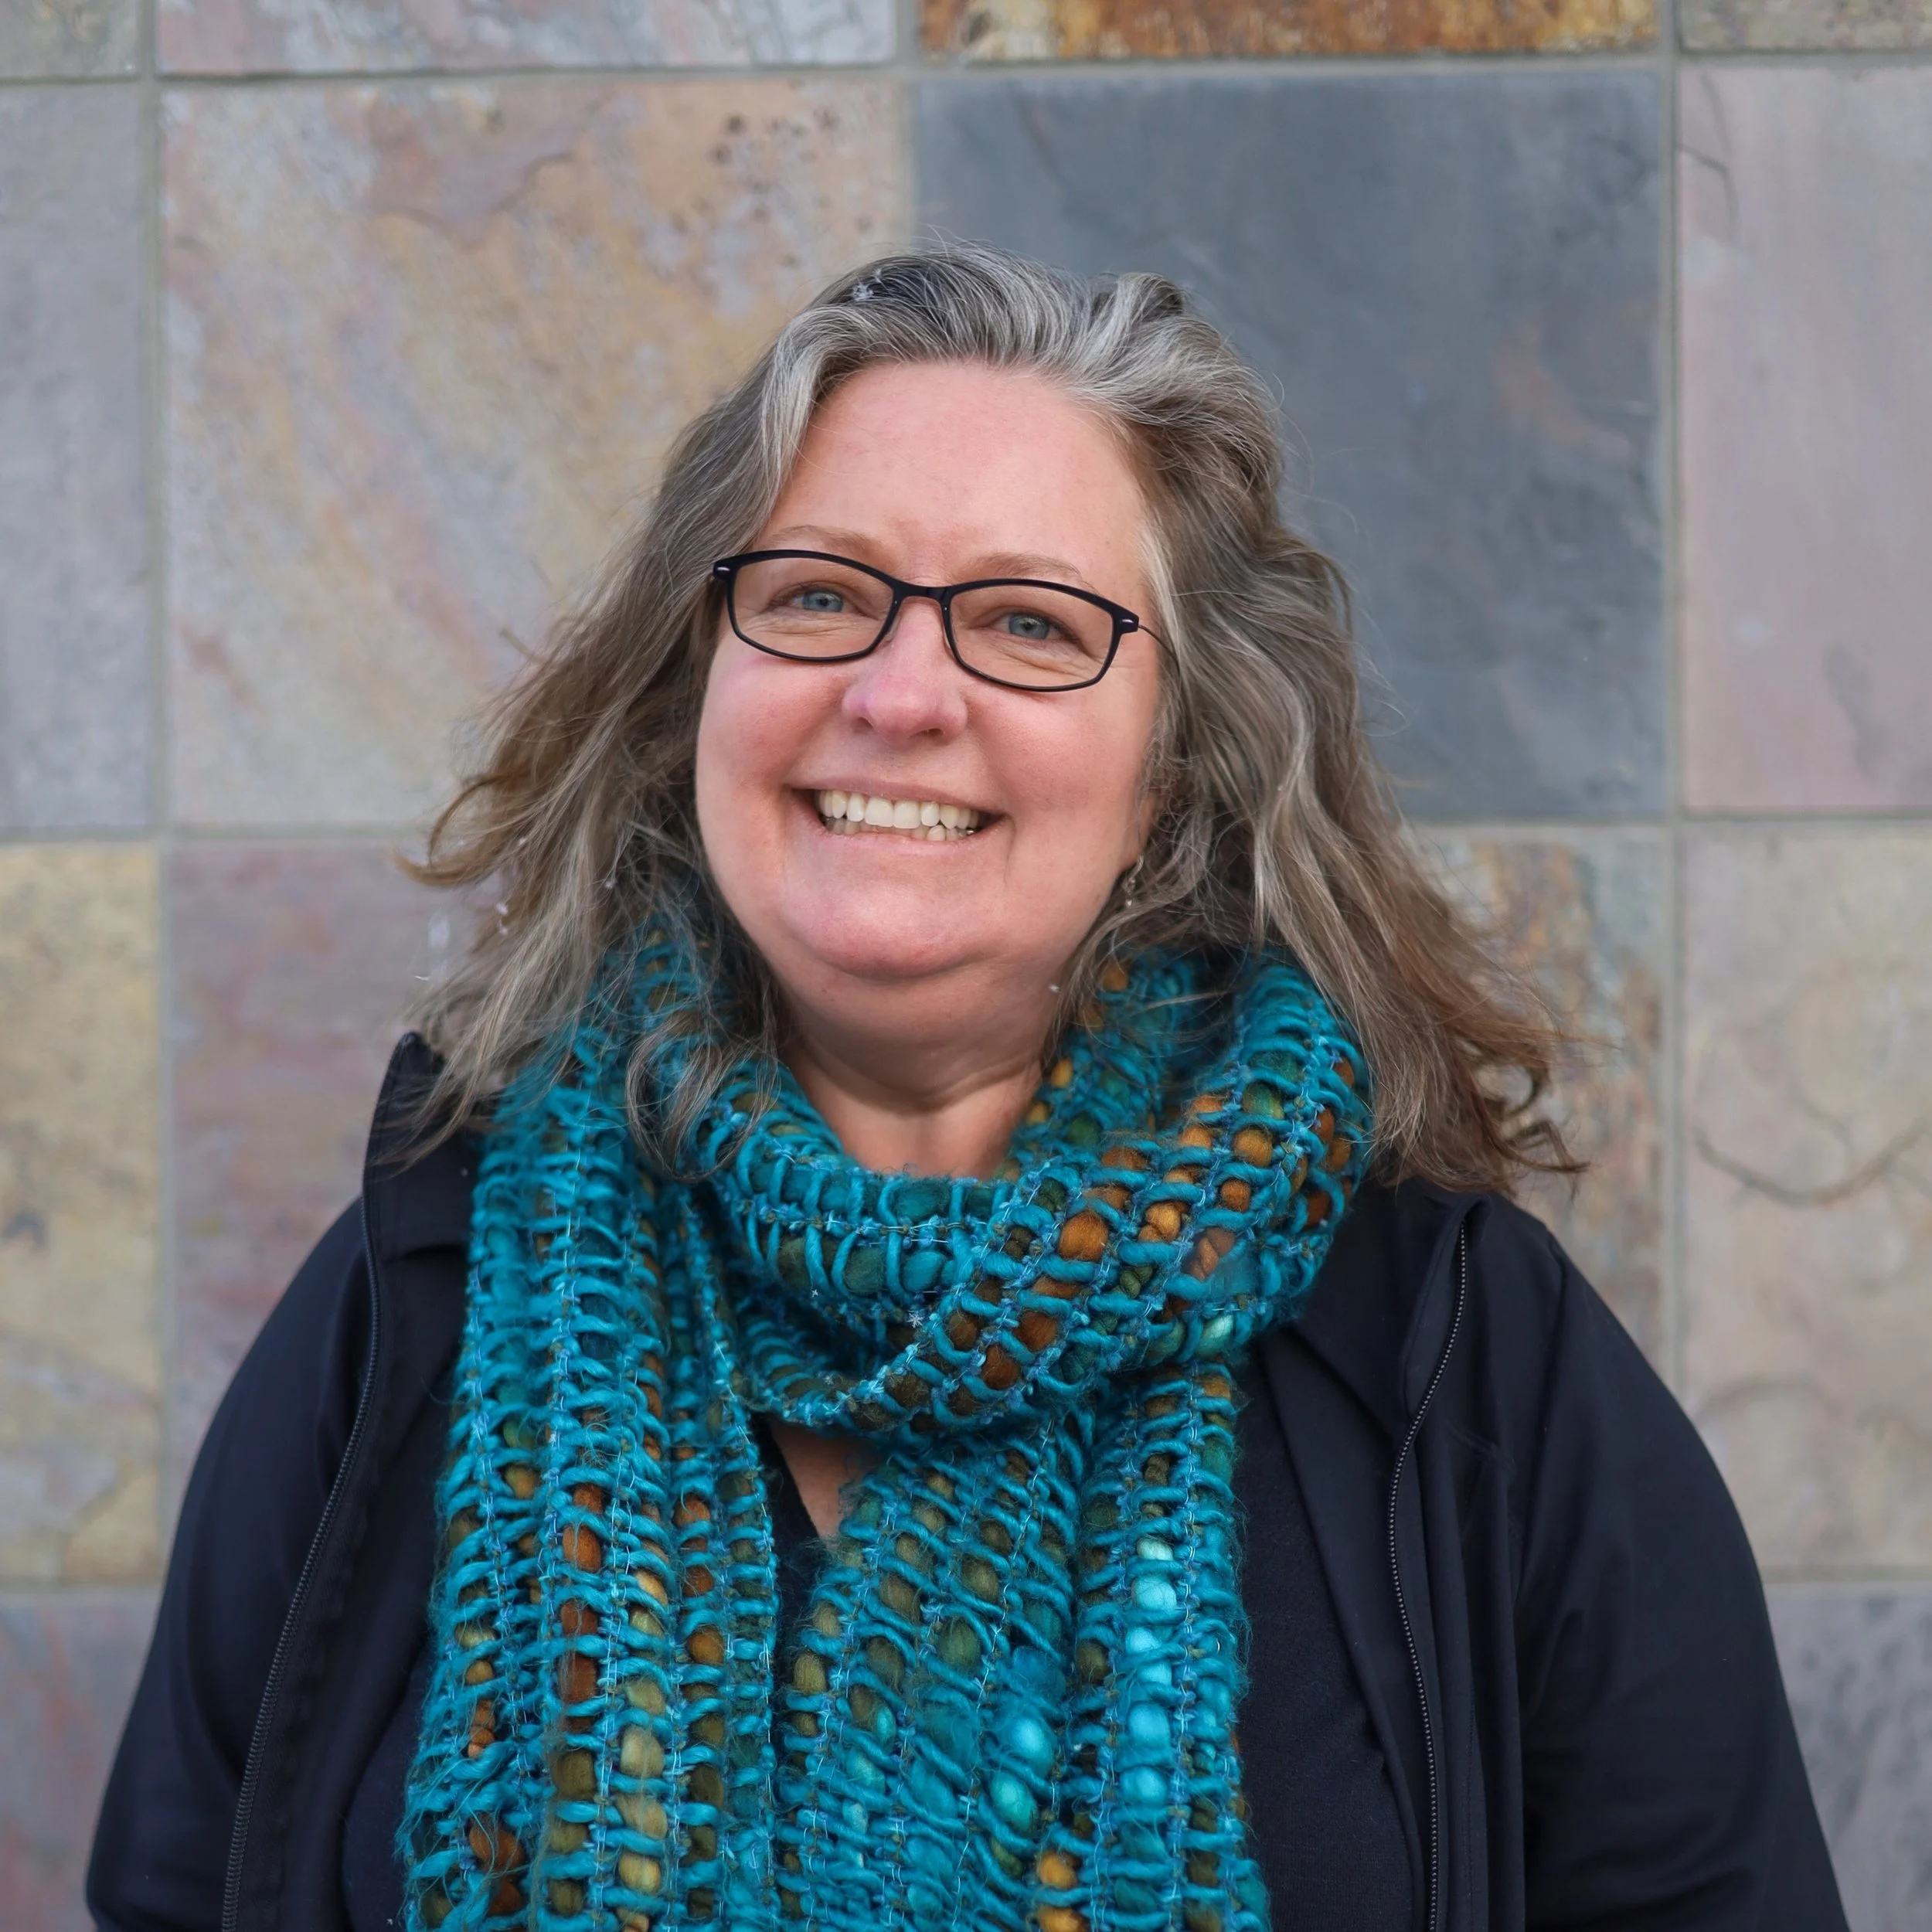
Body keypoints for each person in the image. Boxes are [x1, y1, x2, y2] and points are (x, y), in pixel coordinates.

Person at [90, 247, 1845, 1932]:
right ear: (696, 691)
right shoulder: (421, 1293)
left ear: (1171, 766)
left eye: (1023, 621)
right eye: (815, 596)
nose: (901, 690)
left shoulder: (1456, 1351)